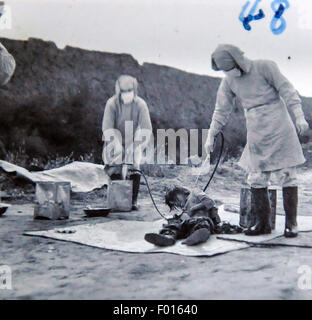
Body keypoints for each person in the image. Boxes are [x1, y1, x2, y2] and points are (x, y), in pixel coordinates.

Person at [205, 44, 309, 237]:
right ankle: (262, 223)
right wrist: (211, 134)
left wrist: (299, 116)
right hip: (256, 129)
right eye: (225, 71)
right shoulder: (229, 81)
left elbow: (288, 90)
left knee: (286, 174)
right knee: (257, 177)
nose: (230, 73)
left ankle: (291, 223)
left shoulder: (265, 67)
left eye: (230, 68)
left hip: (279, 125)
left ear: (238, 61)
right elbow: (221, 110)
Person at [102, 75, 153, 210]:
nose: (127, 94)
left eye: (129, 90)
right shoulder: (111, 104)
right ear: (119, 91)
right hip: (114, 139)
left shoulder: (140, 104)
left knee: (134, 166)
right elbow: (107, 128)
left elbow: (146, 128)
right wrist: (116, 145)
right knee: (114, 165)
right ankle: (116, 199)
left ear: (134, 90)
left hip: (134, 139)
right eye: (124, 91)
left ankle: (132, 201)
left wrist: (136, 146)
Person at [144, 186, 243, 247]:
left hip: (202, 220)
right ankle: (167, 237)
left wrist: (194, 208)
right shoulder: (184, 208)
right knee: (175, 225)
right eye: (174, 204)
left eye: (175, 198)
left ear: (180, 192)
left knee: (201, 223)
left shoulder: (195, 192)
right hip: (189, 224)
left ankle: (199, 234)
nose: (177, 203)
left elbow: (210, 202)